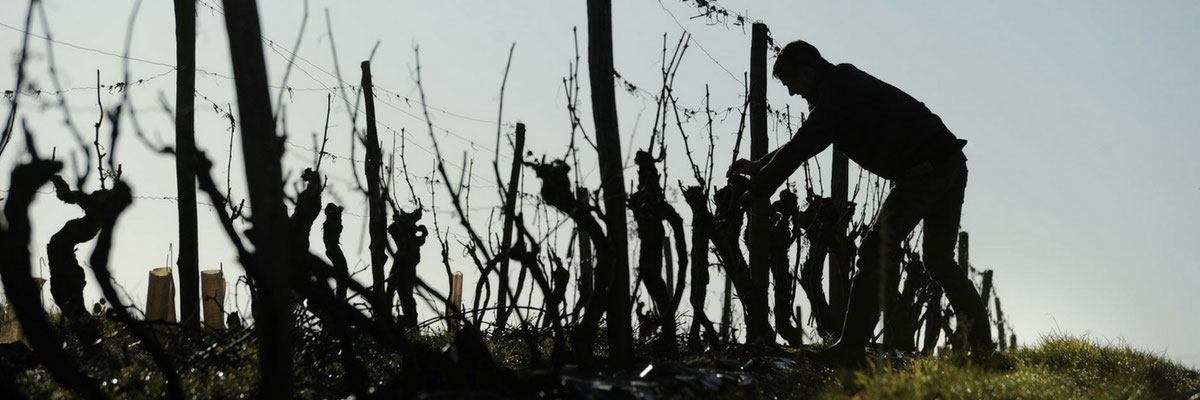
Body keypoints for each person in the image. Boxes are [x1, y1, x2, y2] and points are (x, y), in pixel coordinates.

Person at [730, 39, 992, 365]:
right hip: (949, 162)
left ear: (807, 72)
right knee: (938, 259)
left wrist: (758, 189)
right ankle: (983, 350)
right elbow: (807, 138)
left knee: (874, 250)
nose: (792, 94)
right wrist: (760, 167)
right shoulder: (840, 87)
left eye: (791, 84)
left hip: (925, 172)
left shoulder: (836, 95)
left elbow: (803, 145)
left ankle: (850, 350)